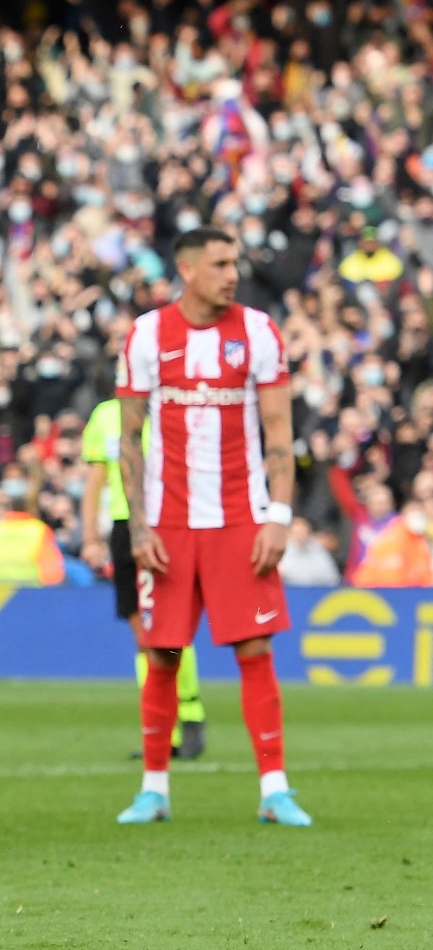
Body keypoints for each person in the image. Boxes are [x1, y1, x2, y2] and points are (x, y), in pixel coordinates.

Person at [115, 226, 312, 828]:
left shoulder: (258, 332)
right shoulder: (147, 335)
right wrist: (139, 527)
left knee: (255, 650)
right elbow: (129, 439)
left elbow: (280, 436)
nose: (233, 273)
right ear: (188, 268)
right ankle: (154, 789)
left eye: (236, 263)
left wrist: (278, 517)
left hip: (240, 518)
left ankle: (275, 790)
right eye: (221, 263)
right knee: (163, 654)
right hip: (169, 522)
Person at [79, 396, 207, 761]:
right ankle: (165, 728)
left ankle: (191, 713)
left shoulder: (173, 406)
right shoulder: (105, 415)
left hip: (171, 523)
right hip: (124, 526)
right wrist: (90, 536)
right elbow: (96, 481)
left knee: (170, 628)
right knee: (143, 632)